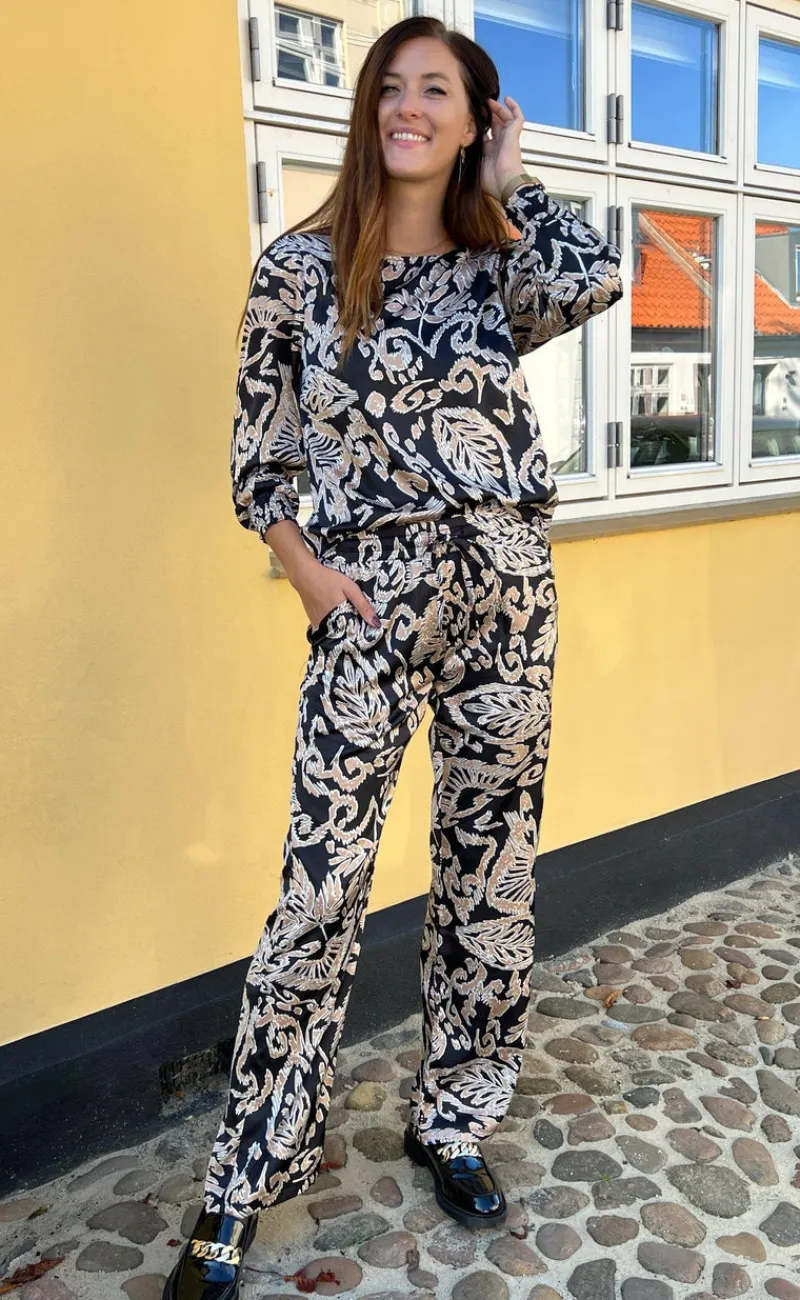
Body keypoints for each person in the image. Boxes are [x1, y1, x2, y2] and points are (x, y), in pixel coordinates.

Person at [162, 13, 623, 1300]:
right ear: (367, 111)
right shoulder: (299, 269)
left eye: (438, 91)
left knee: (489, 872)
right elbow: (259, 460)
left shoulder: (497, 262)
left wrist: (514, 180)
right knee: (319, 888)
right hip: (369, 602)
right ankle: (245, 1173)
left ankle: (453, 1116)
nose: (408, 107)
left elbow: (595, 277)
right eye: (391, 88)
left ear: (472, 121)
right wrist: (316, 585)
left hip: (506, 595)